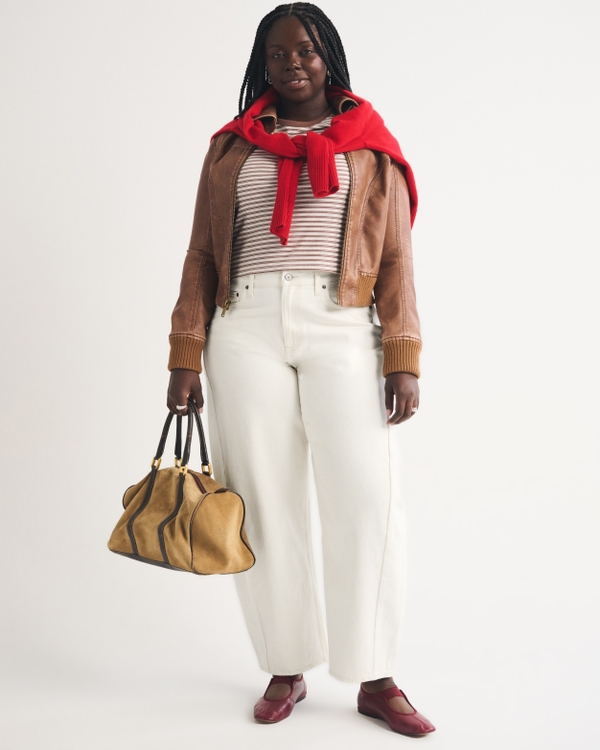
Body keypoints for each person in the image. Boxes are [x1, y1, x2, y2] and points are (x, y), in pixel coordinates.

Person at [166, 2, 435, 737]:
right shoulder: (230, 149)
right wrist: (185, 355)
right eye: (278, 53)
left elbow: (397, 258)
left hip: (342, 325)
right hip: (244, 326)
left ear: (329, 59)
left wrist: (403, 355)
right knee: (261, 499)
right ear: (263, 63)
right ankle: (285, 665)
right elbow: (201, 255)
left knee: (367, 499)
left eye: (307, 51)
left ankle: (375, 675)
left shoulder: (370, 146)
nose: (293, 64)